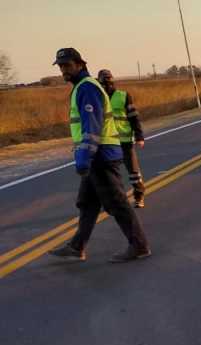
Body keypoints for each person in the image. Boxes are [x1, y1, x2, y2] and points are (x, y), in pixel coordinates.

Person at [48, 48, 151, 263]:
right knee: (87, 202)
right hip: (97, 154)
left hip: (100, 156)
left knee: (117, 203)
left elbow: (91, 125)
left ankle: (139, 245)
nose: (63, 70)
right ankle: (77, 247)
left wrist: (84, 158)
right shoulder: (81, 87)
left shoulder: (86, 88)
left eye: (67, 65)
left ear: (80, 64)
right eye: (60, 66)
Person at [97, 69, 147, 208]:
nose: (107, 85)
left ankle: (139, 195)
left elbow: (133, 117)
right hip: (107, 142)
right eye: (104, 83)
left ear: (113, 82)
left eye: (109, 82)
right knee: (110, 174)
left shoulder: (123, 96)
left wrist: (139, 136)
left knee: (133, 172)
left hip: (124, 141)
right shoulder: (98, 98)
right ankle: (114, 200)